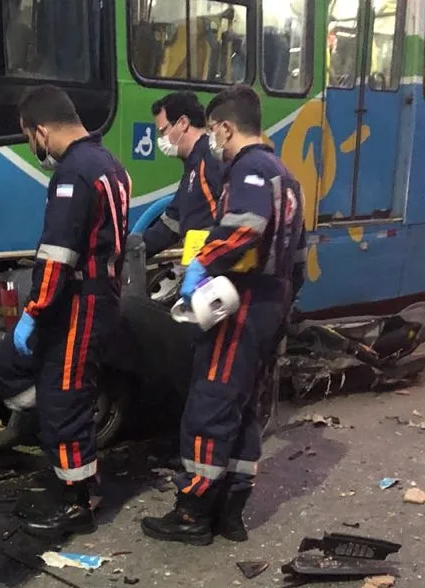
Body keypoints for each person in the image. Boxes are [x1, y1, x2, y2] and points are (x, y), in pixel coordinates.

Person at [140, 83, 307, 546]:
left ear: (227, 127)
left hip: (242, 304)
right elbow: (299, 262)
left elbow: (244, 229)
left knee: (209, 405)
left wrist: (203, 264)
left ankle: (192, 513)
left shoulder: (249, 168)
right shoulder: (286, 176)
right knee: (244, 409)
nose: (213, 141)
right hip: (272, 304)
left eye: (215, 131)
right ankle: (230, 513)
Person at [0, 85, 131, 536]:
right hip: (99, 299)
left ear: (42, 131)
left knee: (65, 398)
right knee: (48, 388)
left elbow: (57, 255)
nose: (33, 148)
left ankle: (78, 503)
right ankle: (68, 457)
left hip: (78, 304)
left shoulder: (73, 174)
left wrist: (35, 309)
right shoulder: (110, 165)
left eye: (30, 137)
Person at [140, 91, 225, 257]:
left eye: (163, 131)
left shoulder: (211, 157)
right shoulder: (192, 165)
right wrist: (132, 247)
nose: (161, 139)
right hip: (201, 266)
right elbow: (170, 225)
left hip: (215, 267)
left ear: (183, 123)